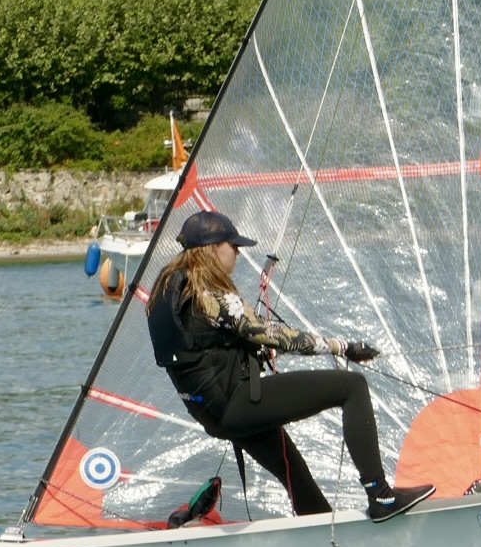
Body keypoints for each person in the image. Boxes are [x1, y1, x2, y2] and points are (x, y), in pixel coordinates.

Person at [146, 209, 434, 522]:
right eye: (234, 246)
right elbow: (273, 336)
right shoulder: (212, 295)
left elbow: (204, 348)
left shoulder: (167, 293)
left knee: (294, 472)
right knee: (352, 388)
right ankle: (381, 496)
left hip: (212, 414)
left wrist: (249, 350)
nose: (238, 253)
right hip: (236, 404)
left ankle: (320, 532)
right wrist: (342, 347)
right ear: (212, 248)